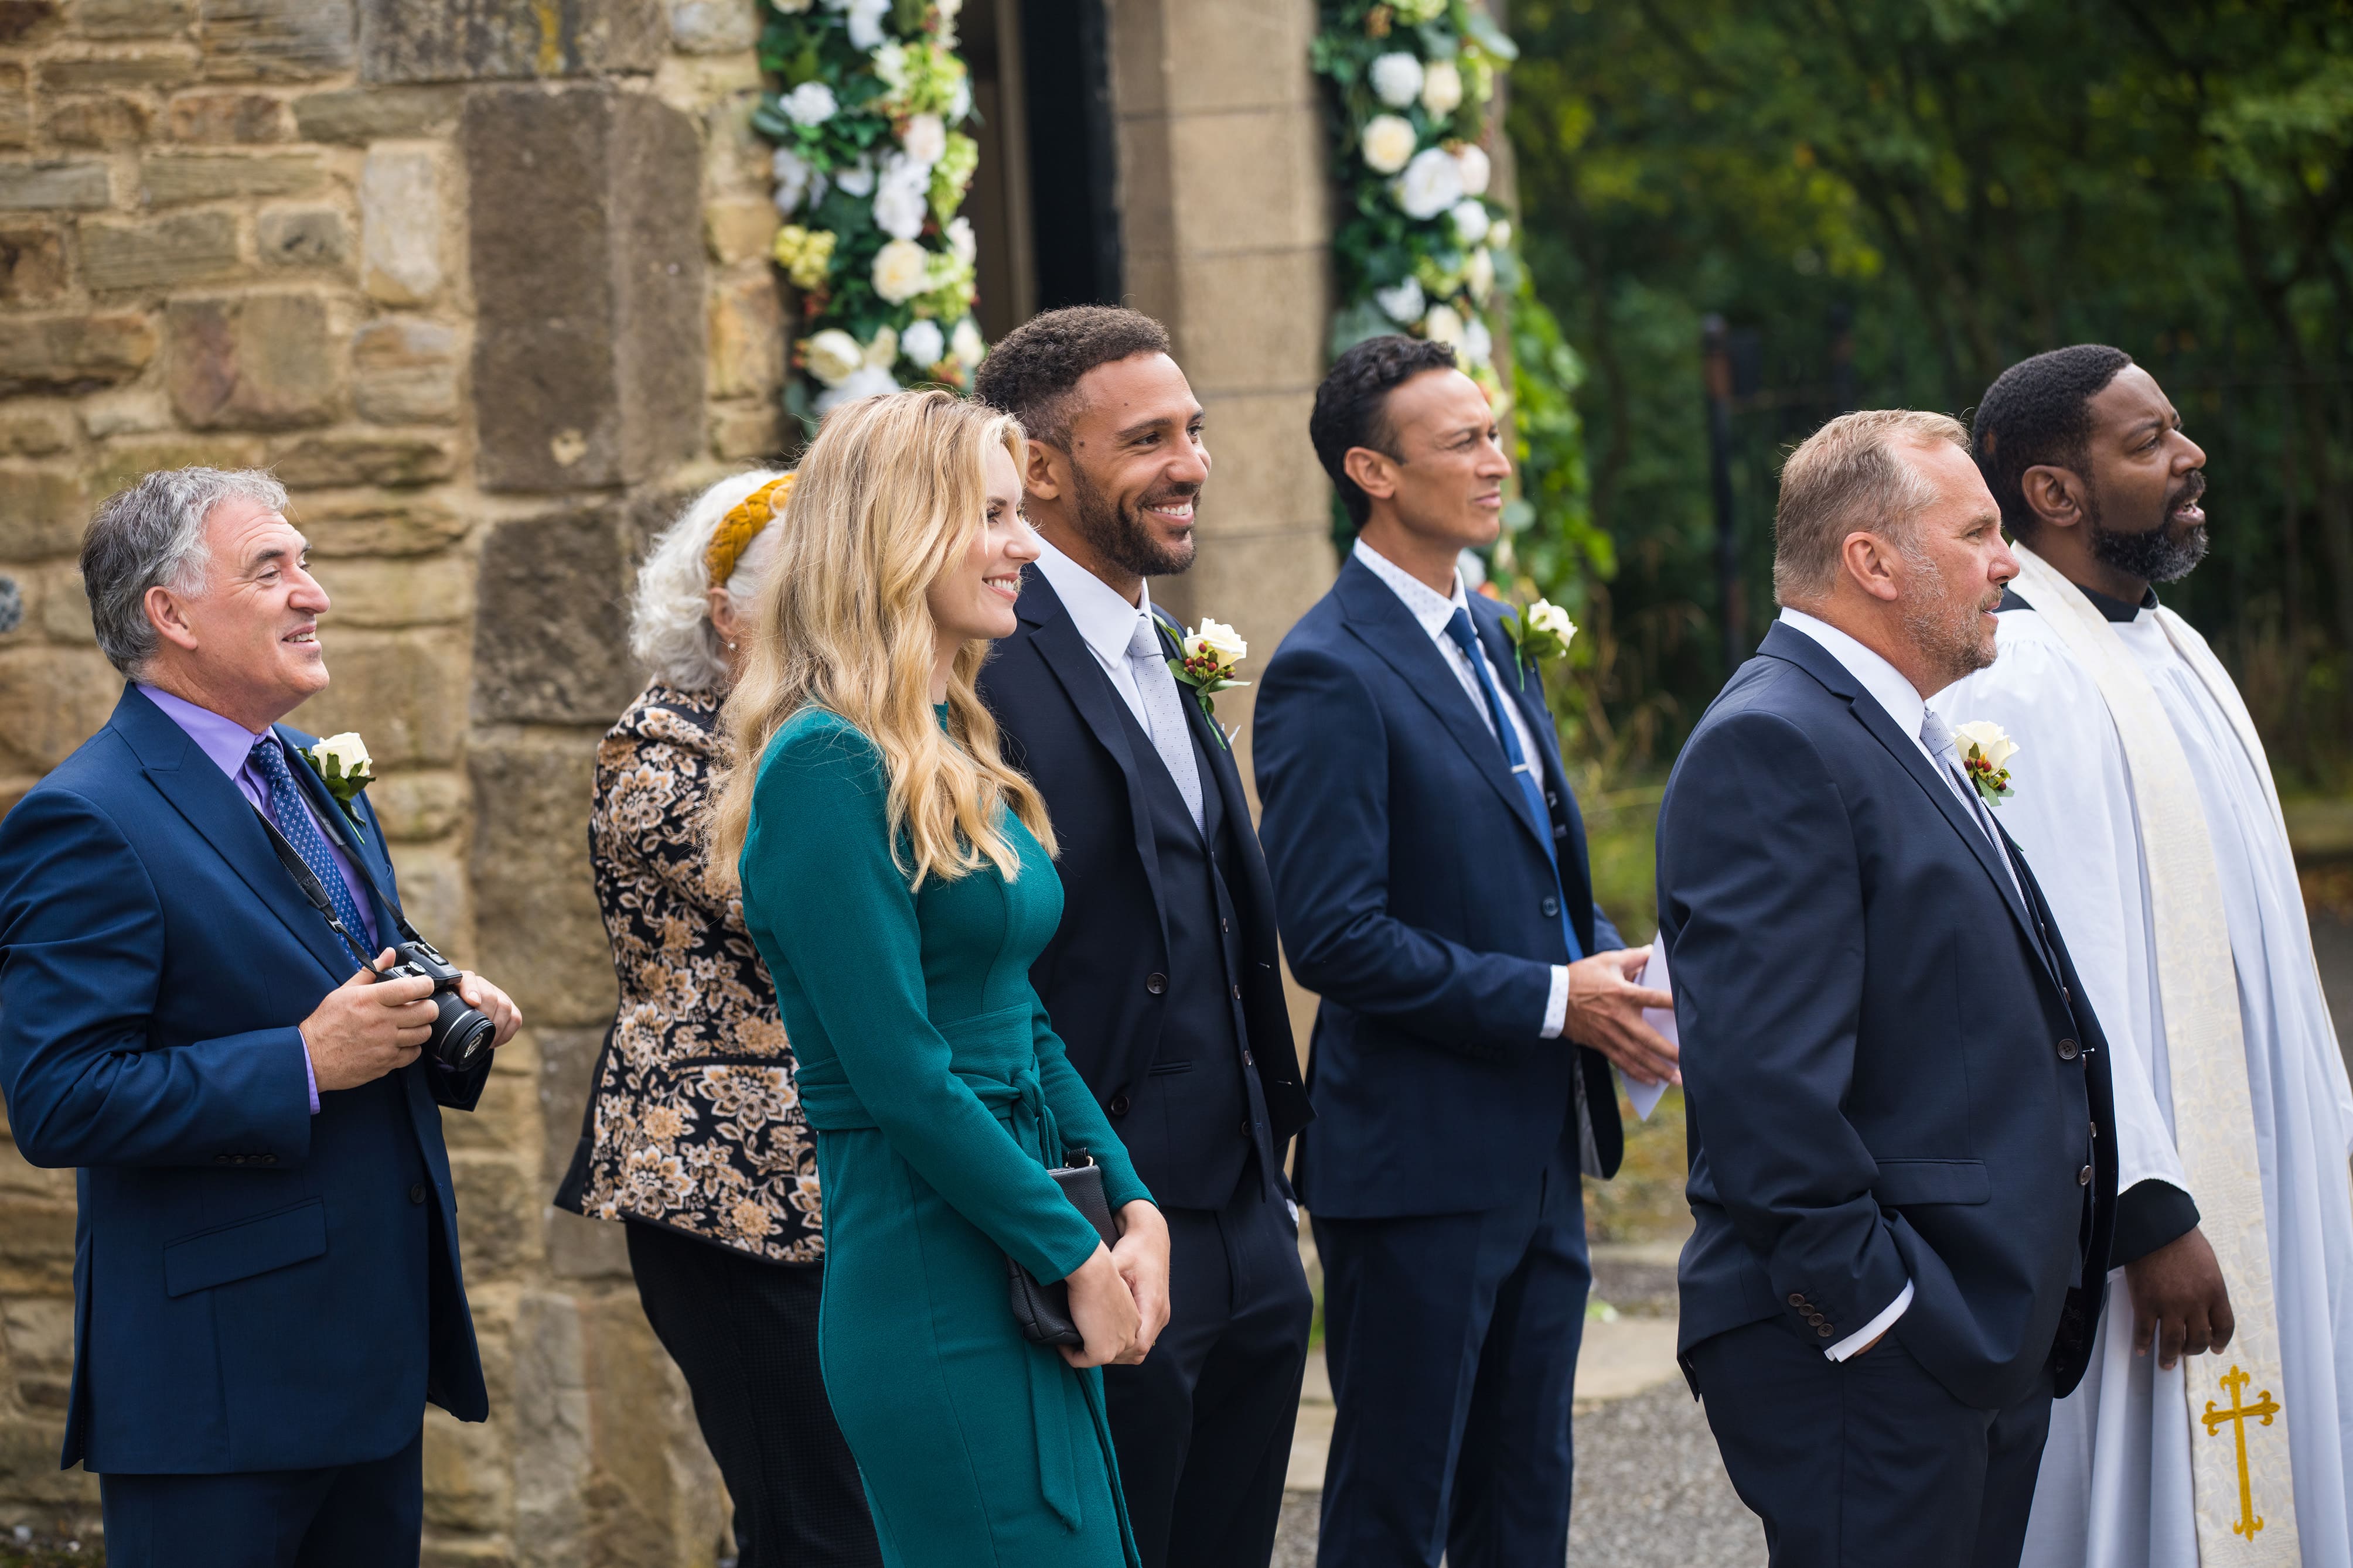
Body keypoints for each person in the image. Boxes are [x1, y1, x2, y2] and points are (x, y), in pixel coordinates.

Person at [0, 468, 523, 1567]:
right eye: (271, 569)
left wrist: (433, 996)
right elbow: (58, 1098)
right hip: (219, 1392)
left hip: (368, 1364)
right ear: (172, 614)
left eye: (307, 563)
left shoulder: (301, 771)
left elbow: (326, 962)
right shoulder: (85, 817)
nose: (314, 592)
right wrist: (304, 1061)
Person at [705, 390, 1169, 1568]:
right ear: (897, 533)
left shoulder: (946, 740)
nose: (1026, 545)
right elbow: (902, 1076)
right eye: (994, 516)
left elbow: (1023, 1018)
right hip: (932, 1269)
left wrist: (1133, 1207)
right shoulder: (824, 766)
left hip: (1019, 1229)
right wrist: (1071, 1252)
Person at [1658, 409, 2117, 1568]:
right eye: (1977, 534)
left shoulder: (1891, 724)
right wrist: (1874, 1316)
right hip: (1881, 1356)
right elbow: (1764, 1089)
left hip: (1972, 1335)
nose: (2009, 564)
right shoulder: (1773, 742)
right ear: (1871, 560)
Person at [1254, 335, 1675, 1568]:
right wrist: (1553, 998)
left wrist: (1618, 976)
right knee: (1398, 1506)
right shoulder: (1327, 669)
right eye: (1464, 443)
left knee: (1526, 1495)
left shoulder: (1492, 631)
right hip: (1415, 1168)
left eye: (1495, 436)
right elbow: (1331, 934)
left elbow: (1542, 869)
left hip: (1540, 1148)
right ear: (1372, 471)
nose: (1496, 462)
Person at [1933, 347, 2353, 1567]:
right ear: (2054, 493)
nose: (2190, 455)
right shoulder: (2017, 681)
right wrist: (2145, 1206)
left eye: (2176, 429)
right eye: (2148, 441)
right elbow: (2059, 972)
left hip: (2265, 1165)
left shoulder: (2174, 648)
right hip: (2144, 1216)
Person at [969, 305, 1315, 1568]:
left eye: (1194, 430)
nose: (1191, 465)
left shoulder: (1162, 645)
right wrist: (1082, 1215)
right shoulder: (986, 664)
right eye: (1148, 439)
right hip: (1107, 1211)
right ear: (1040, 467)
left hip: (1247, 1206)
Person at [553, 469, 883, 1567]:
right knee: (812, 1520)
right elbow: (813, 911)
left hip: (832, 1177)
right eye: (807, 594)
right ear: (725, 613)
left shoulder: (818, 736)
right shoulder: (660, 756)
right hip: (727, 1189)